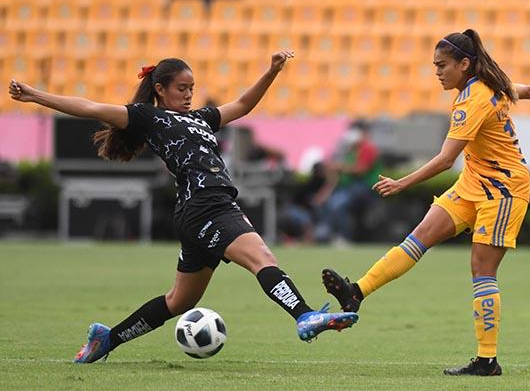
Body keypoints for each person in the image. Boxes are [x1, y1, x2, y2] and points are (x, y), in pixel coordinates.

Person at [9, 50, 358, 364]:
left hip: (201, 209)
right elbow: (90, 107)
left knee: (179, 302)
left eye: (192, 88)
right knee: (262, 258)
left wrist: (271, 72)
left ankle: (107, 339)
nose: (189, 94)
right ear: (160, 89)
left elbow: (241, 105)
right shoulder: (147, 117)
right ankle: (305, 315)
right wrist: (35, 95)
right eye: (181, 88)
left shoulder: (202, 118)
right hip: (207, 205)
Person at [321, 29, 530, 376]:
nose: (437, 72)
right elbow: (528, 91)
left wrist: (402, 182)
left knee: (482, 270)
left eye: (442, 65)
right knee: (418, 238)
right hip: (474, 182)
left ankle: (487, 361)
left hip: (504, 189)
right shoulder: (487, 87)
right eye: (434, 66)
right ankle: (356, 293)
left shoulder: (472, 100)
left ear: (464, 63)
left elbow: (444, 160)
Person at [315, 120, 382, 244]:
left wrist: (340, 167)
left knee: (337, 205)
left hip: (365, 188)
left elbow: (361, 169)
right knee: (329, 203)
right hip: (349, 187)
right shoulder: (350, 150)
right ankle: (327, 232)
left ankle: (343, 236)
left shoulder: (368, 148)